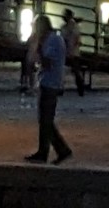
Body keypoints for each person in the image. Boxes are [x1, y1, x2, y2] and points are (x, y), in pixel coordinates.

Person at [25, 15, 72, 165]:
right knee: (45, 121)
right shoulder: (54, 39)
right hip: (48, 82)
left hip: (50, 83)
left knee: (46, 120)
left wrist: (38, 47)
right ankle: (47, 151)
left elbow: (48, 62)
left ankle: (58, 150)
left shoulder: (53, 40)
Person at [61, 9, 84, 96]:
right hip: (70, 51)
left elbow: (75, 39)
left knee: (75, 71)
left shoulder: (71, 27)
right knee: (74, 71)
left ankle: (80, 88)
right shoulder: (72, 27)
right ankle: (80, 89)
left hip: (72, 52)